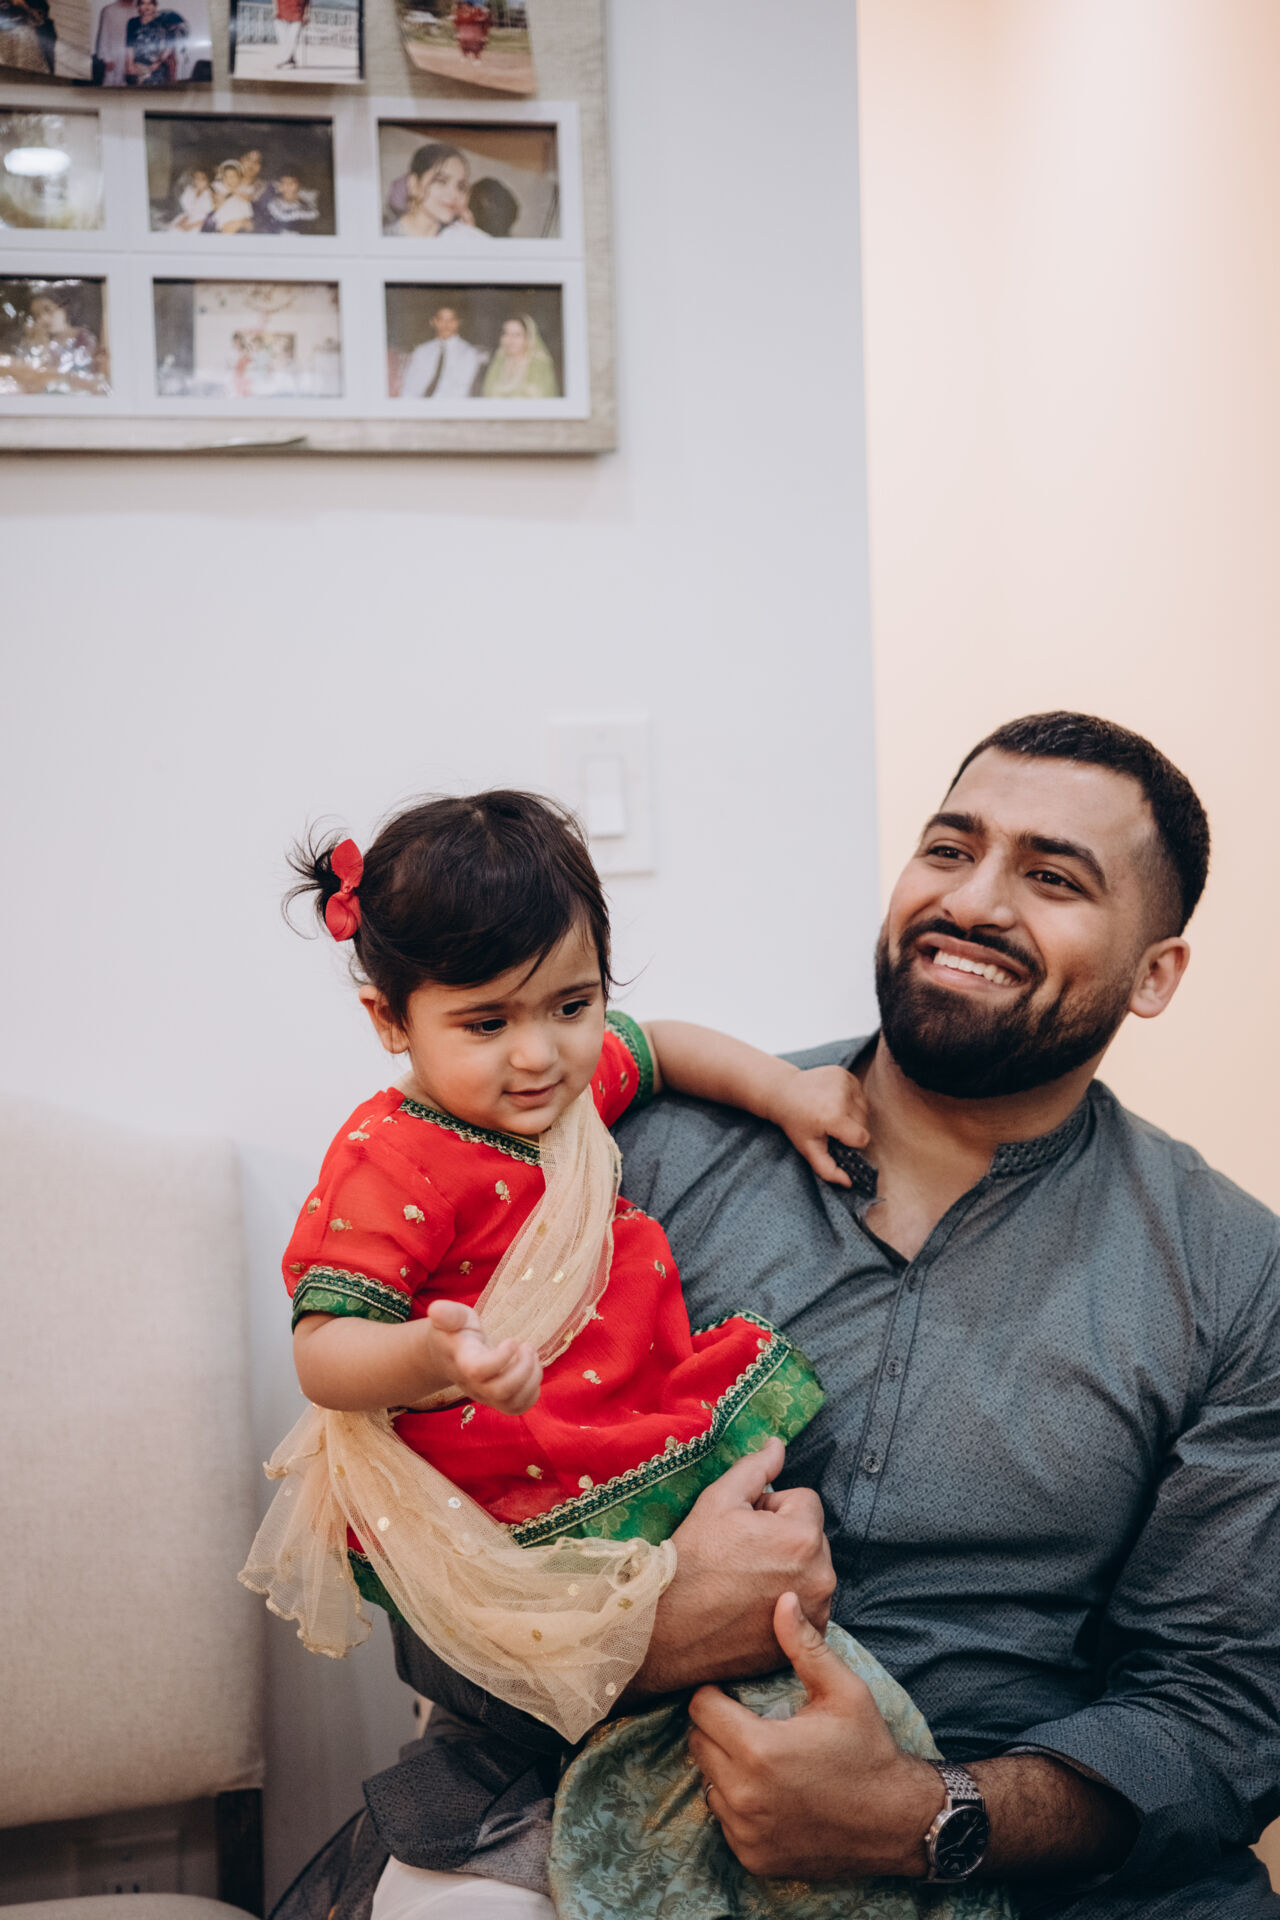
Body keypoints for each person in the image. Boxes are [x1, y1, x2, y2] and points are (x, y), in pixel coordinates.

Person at [275, 713, 1280, 1920]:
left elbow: (1221, 1713)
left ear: (1155, 973)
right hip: (577, 1813)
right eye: (948, 848)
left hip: (1022, 1874)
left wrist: (923, 1815)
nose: (971, 901)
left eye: (1051, 877)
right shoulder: (617, 1154)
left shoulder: (1231, 1274)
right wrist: (635, 1634)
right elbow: (420, 1536)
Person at [243, 791, 1012, 1920]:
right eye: (486, 1023)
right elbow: (323, 1353)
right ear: (389, 1021)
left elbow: (662, 1049)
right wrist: (429, 1355)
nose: (540, 1053)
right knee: (654, 1691)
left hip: (634, 1429)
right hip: (523, 1485)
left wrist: (788, 1092)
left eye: (572, 1003)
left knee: (769, 1655)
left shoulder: (568, 1087)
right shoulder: (390, 1159)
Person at [0, 284, 109, 395]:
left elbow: (87, 376)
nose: (43, 318)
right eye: (37, 315)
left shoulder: (84, 338)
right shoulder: (41, 342)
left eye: (48, 310)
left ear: (65, 308)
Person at [385, 141, 487, 243]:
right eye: (441, 181)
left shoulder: (457, 237)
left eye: (460, 187)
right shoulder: (386, 237)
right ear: (414, 184)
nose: (454, 194)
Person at [398, 303, 487, 399]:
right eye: (441, 320)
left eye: (451, 320)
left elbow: (460, 391)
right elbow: (409, 386)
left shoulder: (467, 353)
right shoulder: (421, 351)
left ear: (458, 322)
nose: (446, 325)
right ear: (433, 322)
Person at [482, 314, 560, 399]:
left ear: (529, 338)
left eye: (517, 335)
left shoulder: (540, 365)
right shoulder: (498, 365)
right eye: (506, 334)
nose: (510, 340)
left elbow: (542, 396)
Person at [124, 0, 182, 84]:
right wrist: (130, 64)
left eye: (150, 3)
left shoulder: (164, 22)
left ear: (155, 6)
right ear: (139, 6)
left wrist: (158, 63)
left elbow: (170, 46)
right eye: (143, 3)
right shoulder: (133, 22)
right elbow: (129, 45)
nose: (147, 7)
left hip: (159, 65)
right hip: (138, 66)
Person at [258, 169, 320, 234]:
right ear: (279, 185)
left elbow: (314, 214)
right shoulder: (273, 203)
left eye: (291, 183)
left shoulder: (307, 202)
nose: (288, 186)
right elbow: (280, 218)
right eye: (284, 183)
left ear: (299, 184)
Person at [204, 161, 255, 233]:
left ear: (239, 177)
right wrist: (226, 194)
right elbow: (216, 206)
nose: (229, 179)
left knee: (247, 225)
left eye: (233, 176)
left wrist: (234, 191)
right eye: (226, 177)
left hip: (243, 219)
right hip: (227, 220)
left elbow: (248, 199)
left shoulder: (244, 189)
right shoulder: (220, 189)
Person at [92, 0, 134, 83]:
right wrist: (107, 59)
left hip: (129, 56)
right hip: (112, 55)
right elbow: (103, 35)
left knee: (124, 83)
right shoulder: (109, 10)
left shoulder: (137, 9)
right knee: (110, 81)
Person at [169, 165, 213, 230]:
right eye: (196, 178)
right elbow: (188, 211)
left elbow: (211, 217)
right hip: (187, 218)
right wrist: (183, 220)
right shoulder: (190, 191)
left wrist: (190, 226)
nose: (198, 181)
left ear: (208, 180)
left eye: (202, 179)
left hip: (202, 223)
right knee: (173, 228)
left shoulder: (212, 195)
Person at [273, 0, 308, 68]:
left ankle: (283, 59)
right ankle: (291, 59)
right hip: (281, 13)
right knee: (283, 39)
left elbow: (308, 2)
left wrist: (306, 14)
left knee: (293, 38)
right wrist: (275, 9)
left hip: (297, 14)